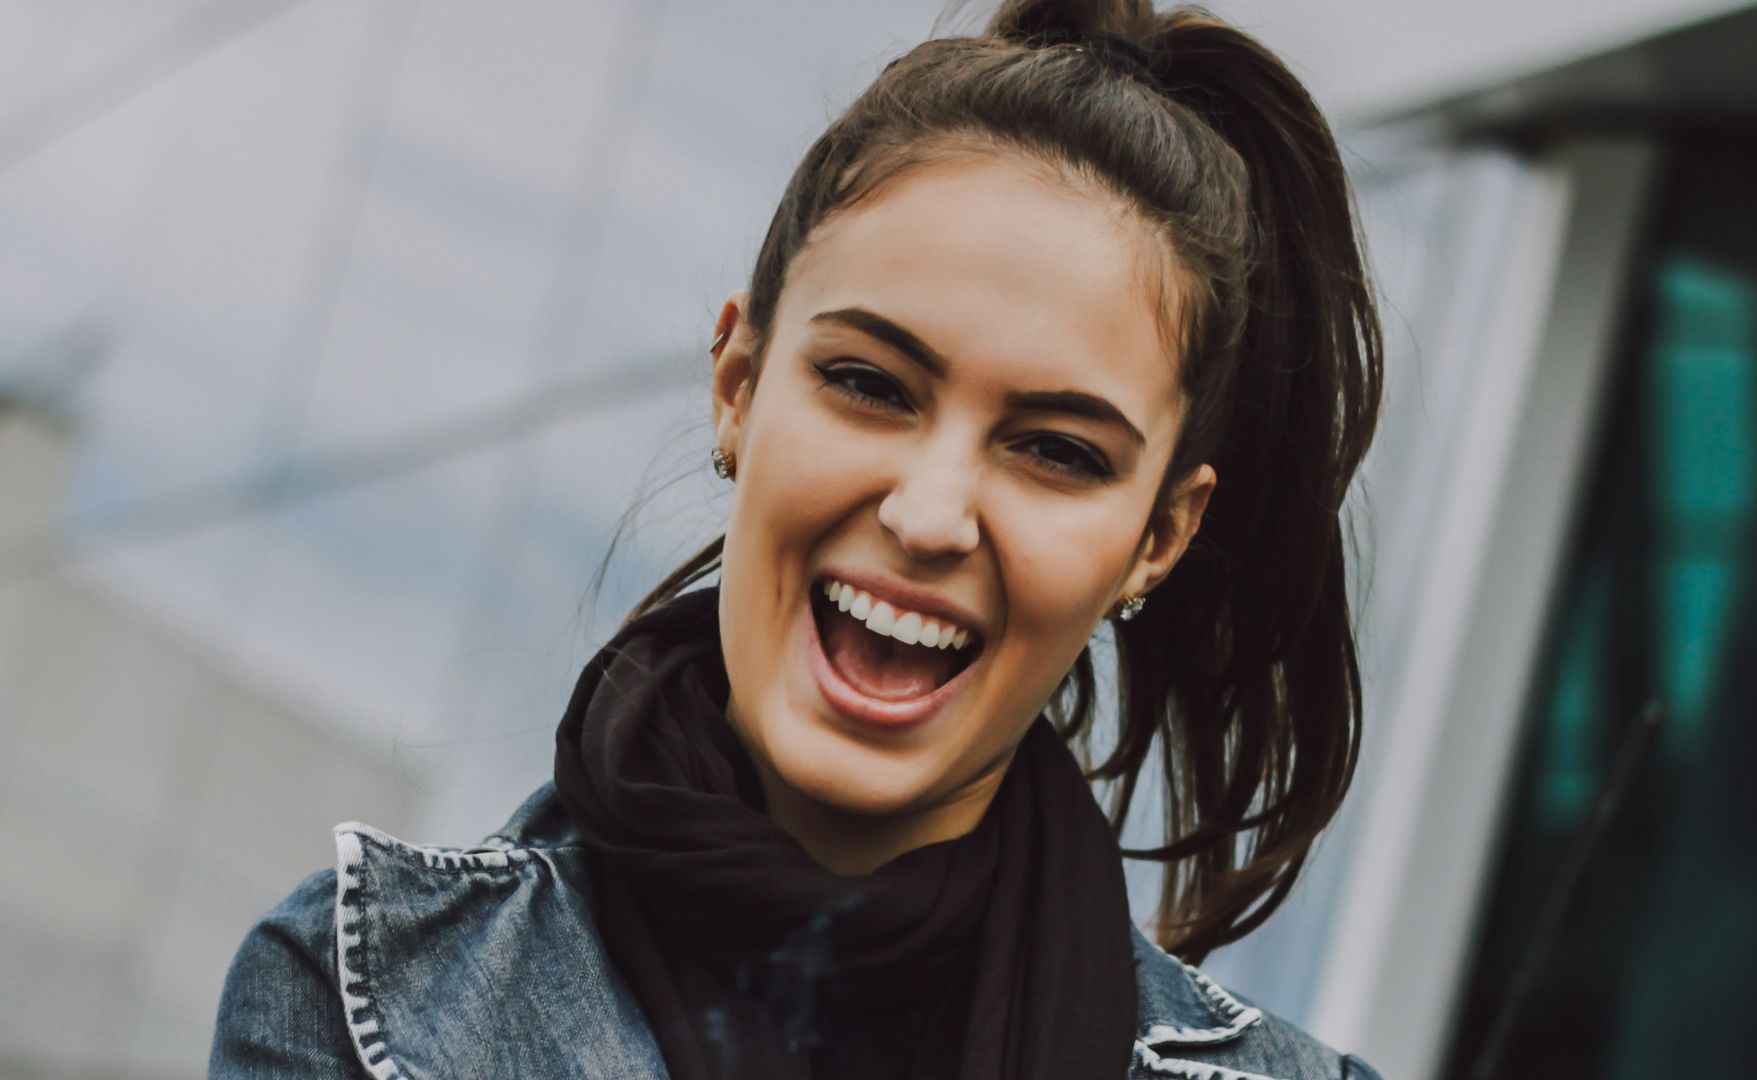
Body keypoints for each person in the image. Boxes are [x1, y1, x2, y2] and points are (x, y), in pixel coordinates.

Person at [208, 0, 1385, 1076]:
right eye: (871, 384)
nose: (930, 516)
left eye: (1058, 451)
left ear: (1158, 540)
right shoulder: (361, 1005)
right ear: (738, 382)